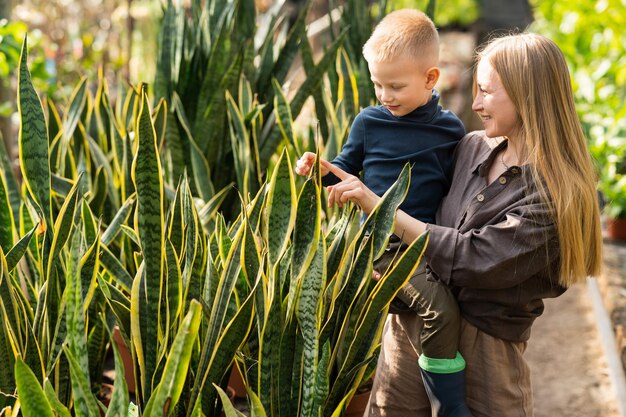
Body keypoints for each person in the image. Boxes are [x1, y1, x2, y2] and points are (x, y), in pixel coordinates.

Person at [314, 32, 604, 417]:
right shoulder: (470, 147)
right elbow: (421, 197)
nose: (476, 103)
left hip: (488, 352)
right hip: (413, 329)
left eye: (486, 92)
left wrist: (377, 206)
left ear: (527, 96)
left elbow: (472, 258)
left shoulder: (553, 193)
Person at [295, 9, 471, 416]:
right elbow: (344, 171)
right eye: (377, 84)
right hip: (384, 245)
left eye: (395, 85)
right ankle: (450, 406)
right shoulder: (369, 122)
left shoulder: (451, 131)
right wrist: (319, 171)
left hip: (428, 240)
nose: (384, 96)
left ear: (430, 79)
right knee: (440, 310)